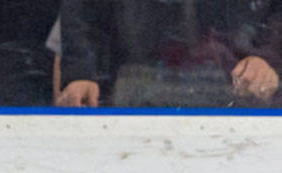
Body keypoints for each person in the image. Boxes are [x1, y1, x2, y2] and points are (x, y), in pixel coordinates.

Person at [57, 0, 282, 107]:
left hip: (239, 107)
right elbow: (80, 15)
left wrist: (267, 61)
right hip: (129, 104)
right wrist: (81, 74)